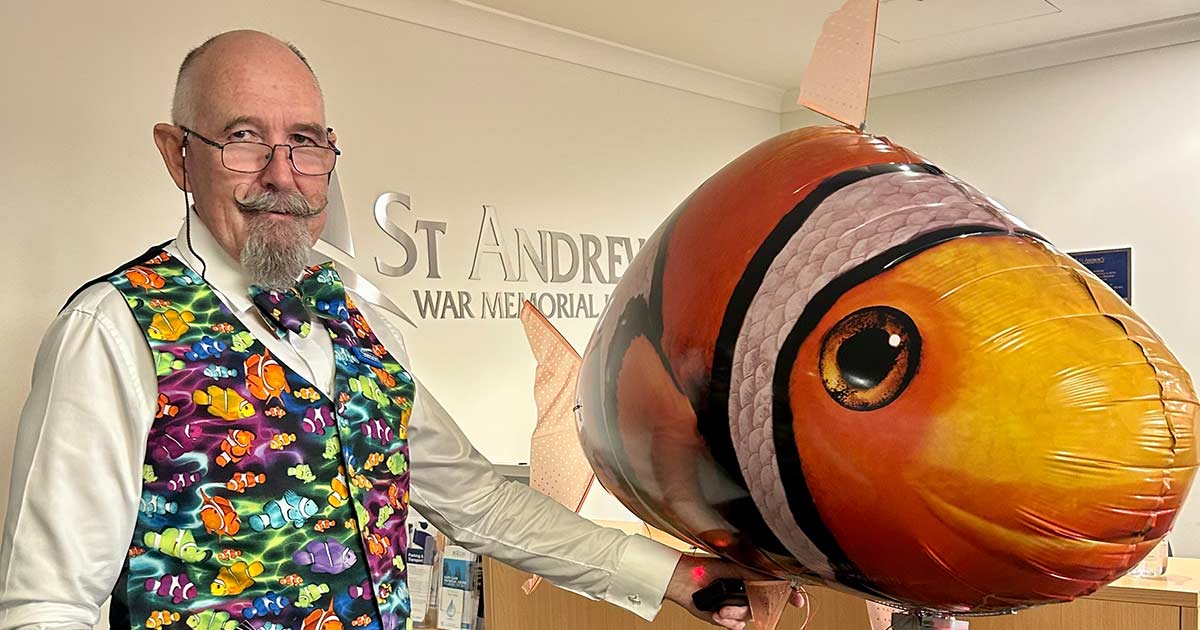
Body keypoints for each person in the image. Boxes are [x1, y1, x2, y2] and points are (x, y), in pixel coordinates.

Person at [0, 30, 794, 630]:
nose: (282, 174)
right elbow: (46, 603)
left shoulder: (360, 317)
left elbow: (478, 500)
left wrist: (670, 577)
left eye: (306, 142)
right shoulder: (112, 331)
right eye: (244, 138)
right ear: (178, 155)